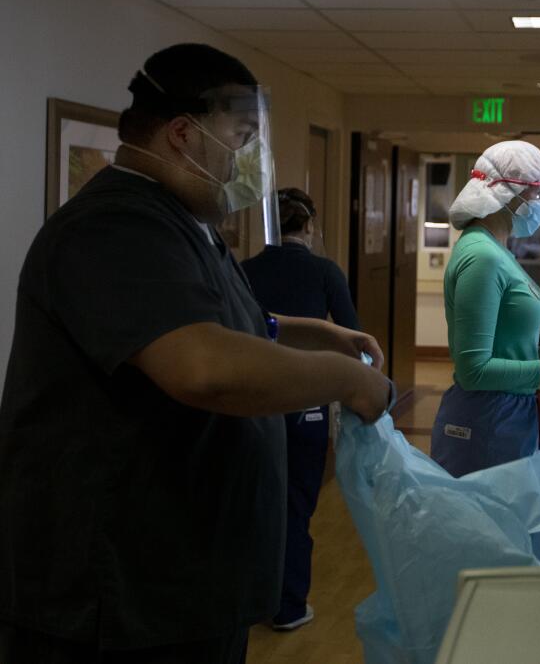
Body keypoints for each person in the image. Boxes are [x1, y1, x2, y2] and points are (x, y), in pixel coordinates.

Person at [0, 44, 393, 664]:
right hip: (120, 605)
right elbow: (203, 367)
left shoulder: (185, 224)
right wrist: (346, 379)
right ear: (183, 133)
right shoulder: (115, 228)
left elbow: (221, 319)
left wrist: (311, 332)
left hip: (188, 590)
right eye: (242, 136)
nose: (257, 160)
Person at [431, 140, 540, 477]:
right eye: (539, 194)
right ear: (509, 195)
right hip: (485, 422)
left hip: (507, 415)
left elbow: (501, 341)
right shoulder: (481, 257)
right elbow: (474, 369)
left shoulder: (498, 252)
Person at [241, 188, 359, 632]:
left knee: (252, 503)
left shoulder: (243, 270)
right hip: (304, 404)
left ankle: (249, 602)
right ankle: (289, 606)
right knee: (295, 507)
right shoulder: (324, 272)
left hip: (250, 399)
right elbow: (353, 337)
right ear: (309, 226)